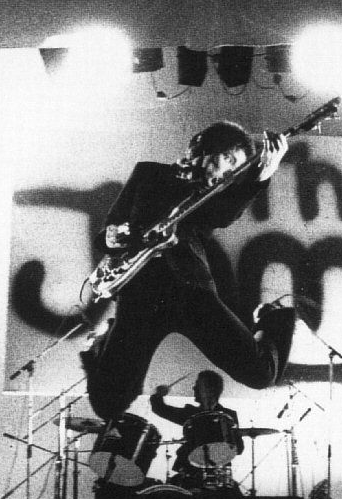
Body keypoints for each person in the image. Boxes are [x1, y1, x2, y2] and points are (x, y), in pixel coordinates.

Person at [81, 120, 296, 422]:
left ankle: (274, 317)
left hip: (190, 293)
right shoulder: (148, 174)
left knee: (261, 374)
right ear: (204, 147)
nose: (229, 171)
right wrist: (113, 236)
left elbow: (224, 215)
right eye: (228, 159)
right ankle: (99, 348)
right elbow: (106, 234)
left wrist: (262, 176)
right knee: (108, 406)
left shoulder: (213, 196)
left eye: (236, 167)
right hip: (140, 296)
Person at [149, 370, 243, 487]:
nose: (194, 388)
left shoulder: (228, 415)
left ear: (210, 389)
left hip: (219, 475)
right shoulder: (191, 413)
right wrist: (158, 395)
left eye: (198, 385)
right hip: (190, 473)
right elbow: (160, 409)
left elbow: (239, 448)